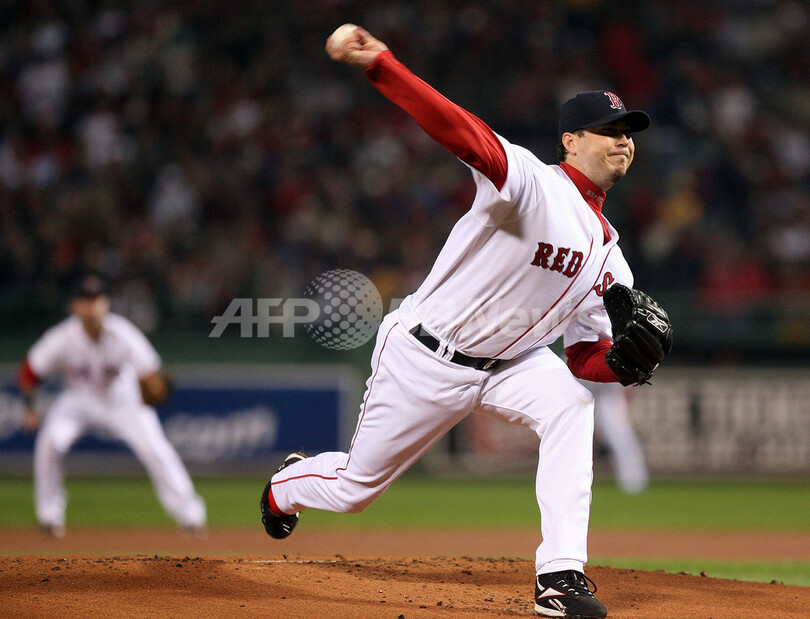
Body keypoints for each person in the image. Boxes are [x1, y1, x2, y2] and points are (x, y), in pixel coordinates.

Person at [260, 26, 669, 618]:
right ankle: (288, 486)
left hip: (513, 365)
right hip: (426, 355)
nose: (623, 141)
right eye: (609, 131)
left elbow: (583, 357)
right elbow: (458, 130)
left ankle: (560, 577)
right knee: (355, 491)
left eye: (628, 133)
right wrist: (383, 65)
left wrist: (622, 366)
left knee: (572, 405)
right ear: (570, 141)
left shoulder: (613, 259)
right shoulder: (531, 182)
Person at [18, 274, 206, 538]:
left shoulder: (123, 333)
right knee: (50, 442)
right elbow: (30, 372)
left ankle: (191, 516)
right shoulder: (61, 336)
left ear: (106, 303)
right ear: (74, 305)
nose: (91, 305)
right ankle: (49, 517)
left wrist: (154, 385)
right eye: (85, 299)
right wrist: (29, 408)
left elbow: (151, 372)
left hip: (123, 400)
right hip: (78, 400)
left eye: (96, 299)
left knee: (155, 448)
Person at [581, 380, 650, 494]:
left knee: (622, 439)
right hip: (594, 396)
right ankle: (632, 479)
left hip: (612, 397)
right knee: (617, 440)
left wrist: (627, 396)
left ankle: (634, 478)